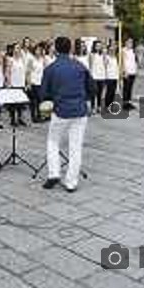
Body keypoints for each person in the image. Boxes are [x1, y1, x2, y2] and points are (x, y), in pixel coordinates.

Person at [39, 37, 94, 192]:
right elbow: (92, 88)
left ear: (55, 49)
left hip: (61, 111)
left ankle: (54, 174)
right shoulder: (80, 66)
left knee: (53, 141)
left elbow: (43, 93)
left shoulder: (50, 68)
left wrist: (52, 99)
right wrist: (85, 98)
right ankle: (71, 182)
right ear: (70, 49)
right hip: (80, 111)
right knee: (75, 147)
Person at [6, 42, 28, 126]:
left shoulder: (22, 60)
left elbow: (25, 72)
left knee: (20, 103)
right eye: (16, 48)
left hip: (21, 84)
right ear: (13, 49)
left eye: (19, 48)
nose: (18, 50)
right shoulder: (10, 59)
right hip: (13, 84)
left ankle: (20, 118)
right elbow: (7, 72)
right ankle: (12, 119)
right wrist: (9, 83)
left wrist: (25, 83)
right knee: (13, 104)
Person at [27, 44, 45, 122]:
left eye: (39, 50)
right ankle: (33, 116)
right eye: (37, 50)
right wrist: (29, 83)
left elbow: (44, 71)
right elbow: (28, 72)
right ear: (34, 51)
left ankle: (39, 115)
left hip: (40, 82)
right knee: (33, 101)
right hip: (33, 82)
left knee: (40, 101)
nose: (38, 51)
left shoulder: (42, 59)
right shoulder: (31, 59)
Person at [89, 40, 106, 114]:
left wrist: (105, 56)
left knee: (100, 92)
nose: (98, 47)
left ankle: (99, 106)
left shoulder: (102, 55)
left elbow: (105, 64)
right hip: (94, 76)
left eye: (100, 46)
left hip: (101, 75)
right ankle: (92, 107)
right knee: (93, 92)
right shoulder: (92, 54)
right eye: (97, 46)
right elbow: (90, 65)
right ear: (94, 46)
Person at [122, 38, 138, 109]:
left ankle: (129, 102)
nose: (130, 43)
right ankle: (125, 104)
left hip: (133, 71)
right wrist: (124, 71)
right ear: (125, 42)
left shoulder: (133, 51)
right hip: (127, 72)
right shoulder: (123, 50)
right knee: (126, 88)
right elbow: (123, 62)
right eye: (129, 42)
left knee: (130, 88)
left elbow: (134, 61)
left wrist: (136, 70)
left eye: (131, 42)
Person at [104, 45, 119, 110]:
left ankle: (111, 104)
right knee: (109, 91)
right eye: (110, 50)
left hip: (115, 76)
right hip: (109, 76)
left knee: (113, 91)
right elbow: (105, 65)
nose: (112, 51)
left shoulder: (115, 57)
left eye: (113, 50)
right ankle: (107, 105)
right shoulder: (107, 57)